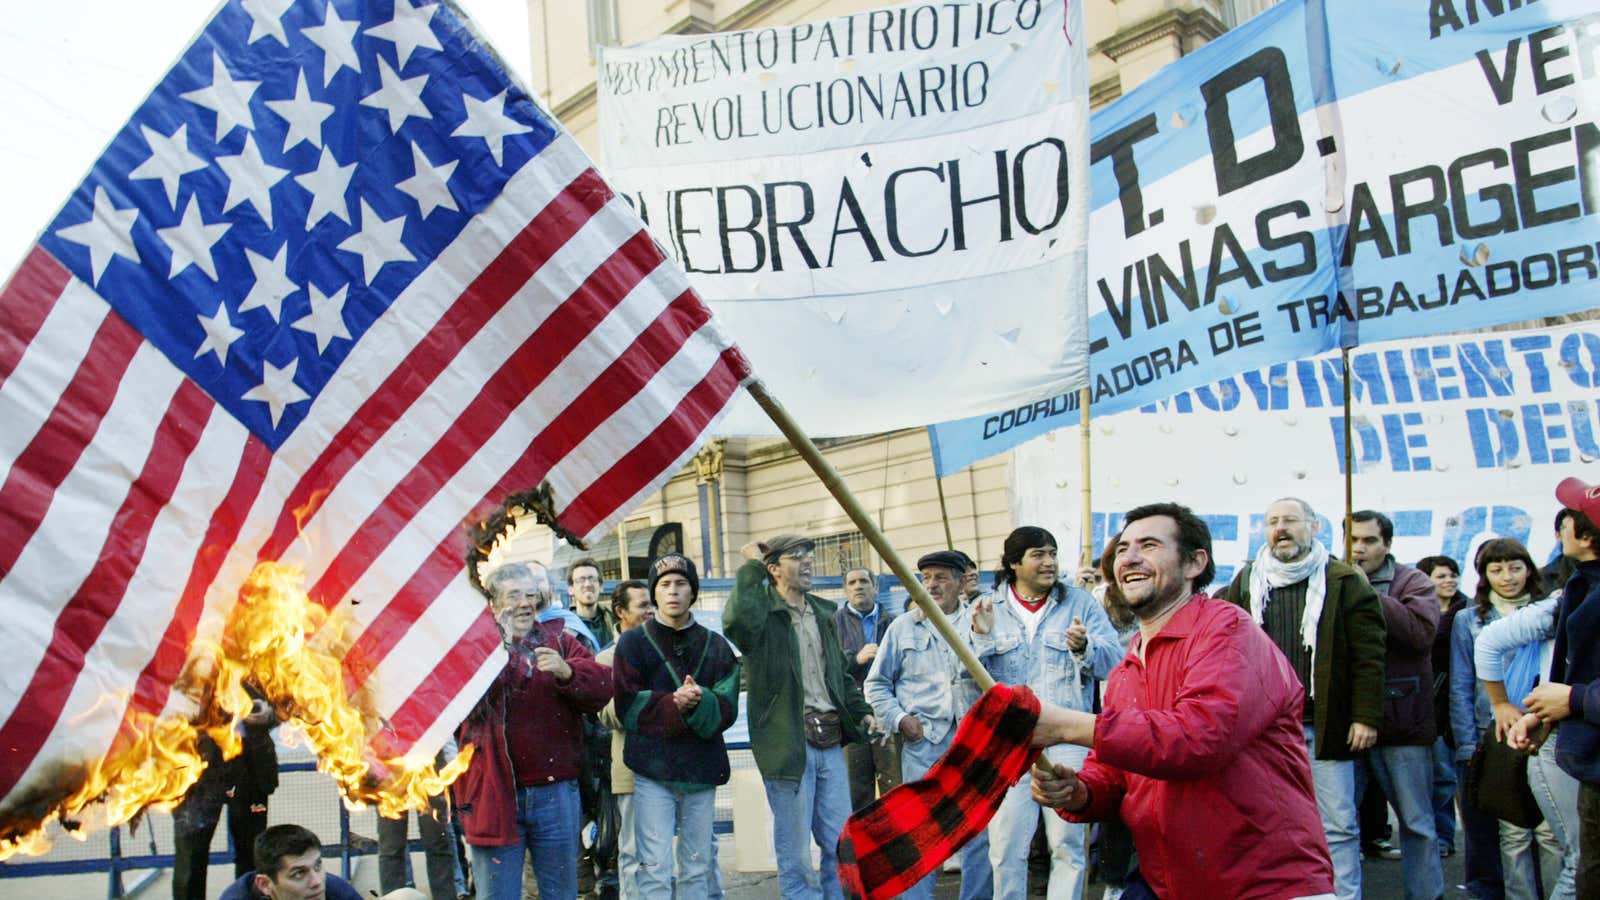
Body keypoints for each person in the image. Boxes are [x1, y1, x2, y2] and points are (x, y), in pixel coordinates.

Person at [1028, 502, 1334, 900]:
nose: (1130, 557)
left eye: (1149, 545)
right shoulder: (1126, 668)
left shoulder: (1227, 630)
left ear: (1194, 564)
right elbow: (1116, 772)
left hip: (1264, 884)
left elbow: (1199, 738)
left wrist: (1066, 725)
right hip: (1169, 883)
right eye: (1122, 549)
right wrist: (1080, 792)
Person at [1222, 498, 1384, 900]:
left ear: (1313, 527)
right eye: (1273, 521)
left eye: (1290, 520)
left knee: (1339, 825)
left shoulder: (1344, 580)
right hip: (1264, 731)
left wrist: (1365, 717)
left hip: (1323, 725)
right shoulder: (1246, 581)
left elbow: (1369, 655)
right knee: (1267, 822)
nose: (1281, 528)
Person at [969, 525, 1122, 900]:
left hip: (1067, 738)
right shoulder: (987, 607)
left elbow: (1115, 663)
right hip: (1009, 743)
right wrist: (983, 638)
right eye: (1038, 554)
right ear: (1013, 563)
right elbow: (965, 678)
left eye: (1052, 553)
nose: (1049, 562)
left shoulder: (1081, 604)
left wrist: (1085, 648)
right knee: (1006, 849)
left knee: (1068, 846)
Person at [723, 535, 879, 900]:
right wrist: (750, 567)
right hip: (787, 744)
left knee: (840, 841)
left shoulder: (824, 613)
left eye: (809, 555)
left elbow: (838, 675)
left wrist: (862, 712)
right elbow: (735, 622)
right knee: (794, 848)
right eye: (796, 556)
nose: (808, 562)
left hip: (829, 740)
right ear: (773, 569)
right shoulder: (762, 615)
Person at [455, 561, 613, 900]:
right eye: (514, 595)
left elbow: (603, 686)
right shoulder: (473, 648)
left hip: (555, 796)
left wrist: (567, 672)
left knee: (561, 895)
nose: (525, 603)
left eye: (530, 594)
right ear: (494, 604)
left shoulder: (558, 640)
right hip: (494, 796)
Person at [862, 550, 990, 900]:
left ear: (961, 582)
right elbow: (875, 684)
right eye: (926, 577)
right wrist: (901, 719)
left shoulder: (979, 623)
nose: (931, 585)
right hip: (923, 746)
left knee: (978, 833)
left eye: (941, 577)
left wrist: (985, 637)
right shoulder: (903, 627)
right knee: (921, 834)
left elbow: (1001, 680)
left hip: (970, 745)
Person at [612, 554, 740, 900]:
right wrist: (673, 704)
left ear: (692, 591)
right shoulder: (632, 643)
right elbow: (625, 705)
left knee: (697, 866)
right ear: (655, 592)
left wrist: (702, 700)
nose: (673, 591)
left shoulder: (716, 645)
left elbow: (728, 705)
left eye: (681, 583)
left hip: (700, 770)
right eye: (664, 584)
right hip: (652, 772)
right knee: (654, 867)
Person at [1450, 538, 1559, 900]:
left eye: (1515, 567)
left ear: (1529, 569)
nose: (1507, 577)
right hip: (1494, 733)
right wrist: (1467, 743)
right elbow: (1461, 682)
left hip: (1543, 727)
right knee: (1512, 831)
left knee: (1550, 830)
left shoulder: (1550, 611)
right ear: (1483, 575)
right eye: (1496, 570)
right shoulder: (1469, 618)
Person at [1345, 510, 1444, 900]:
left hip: (1402, 723)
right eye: (1352, 540)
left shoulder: (1412, 581)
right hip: (1345, 723)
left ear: (1387, 544)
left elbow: (1420, 635)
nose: (1359, 548)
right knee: (1338, 825)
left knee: (1417, 823)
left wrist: (1367, 593)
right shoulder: (1330, 579)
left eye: (1368, 541)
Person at [1509, 477, 1600, 897]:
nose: (1559, 527)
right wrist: (1546, 713)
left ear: (1586, 536)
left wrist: (1573, 700)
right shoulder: (1581, 585)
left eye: (1568, 520)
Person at [1476, 587, 1582, 900]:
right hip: (1555, 738)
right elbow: (1488, 642)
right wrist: (1501, 705)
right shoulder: (1562, 603)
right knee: (1575, 857)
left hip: (1561, 729)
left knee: (1571, 854)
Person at [173, 686, 278, 900]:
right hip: (197, 772)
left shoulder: (258, 656)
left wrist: (270, 714)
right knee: (191, 857)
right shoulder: (188, 661)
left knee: (252, 854)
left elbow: (286, 702)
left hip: (251, 770)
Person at [597, 580, 652, 899]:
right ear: (620, 612)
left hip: (667, 767)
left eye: (650, 605)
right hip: (630, 769)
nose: (650, 611)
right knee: (632, 850)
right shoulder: (607, 660)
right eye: (642, 605)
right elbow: (606, 715)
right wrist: (644, 697)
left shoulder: (664, 648)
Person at [834, 566, 901, 810]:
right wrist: (855, 660)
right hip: (852, 719)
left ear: (875, 587)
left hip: (888, 714)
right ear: (845, 590)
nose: (858, 586)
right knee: (856, 790)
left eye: (863, 581)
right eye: (851, 583)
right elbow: (828, 669)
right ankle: (859, 847)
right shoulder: (833, 624)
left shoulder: (894, 623)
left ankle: (895, 846)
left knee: (894, 787)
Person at [1418, 553, 1467, 858]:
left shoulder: (1470, 609)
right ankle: (1438, 836)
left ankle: (1446, 837)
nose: (1449, 580)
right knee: (1437, 776)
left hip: (1457, 702)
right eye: (1441, 576)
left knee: (1448, 776)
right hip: (1431, 704)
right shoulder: (1421, 614)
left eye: (1452, 575)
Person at [375, 746, 461, 900]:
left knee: (438, 842)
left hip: (428, 754)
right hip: (388, 757)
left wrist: (451, 757)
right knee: (391, 846)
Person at [218, 824, 365, 899]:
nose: (316, 882)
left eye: (318, 866)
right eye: (299, 874)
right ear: (265, 884)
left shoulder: (339, 893)